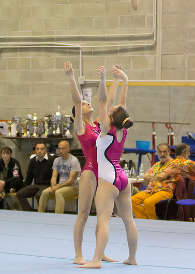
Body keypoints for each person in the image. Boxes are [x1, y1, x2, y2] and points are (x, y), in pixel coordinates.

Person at [78, 66, 138, 269]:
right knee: (129, 221)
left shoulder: (105, 128)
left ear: (111, 119)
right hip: (123, 178)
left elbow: (104, 101)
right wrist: (124, 79)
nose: (108, 109)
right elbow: (121, 104)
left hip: (108, 179)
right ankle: (132, 258)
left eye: (110, 112)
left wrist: (103, 79)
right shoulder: (123, 129)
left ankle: (96, 260)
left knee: (103, 220)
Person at [64, 61, 121, 265]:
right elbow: (77, 102)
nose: (89, 104)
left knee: (102, 216)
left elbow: (110, 101)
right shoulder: (81, 127)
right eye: (86, 104)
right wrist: (71, 77)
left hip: (103, 172)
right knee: (83, 214)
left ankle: (100, 252)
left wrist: (115, 78)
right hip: (89, 172)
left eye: (89, 103)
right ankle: (78, 254)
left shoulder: (98, 125)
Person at [131, 143, 179, 220]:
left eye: (165, 151)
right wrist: (157, 176)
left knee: (148, 202)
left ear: (169, 152)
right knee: (133, 200)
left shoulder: (173, 164)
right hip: (152, 190)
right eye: (160, 152)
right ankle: (144, 221)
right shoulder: (156, 164)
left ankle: (152, 222)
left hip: (165, 191)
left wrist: (155, 176)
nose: (162, 154)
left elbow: (161, 176)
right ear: (157, 152)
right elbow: (145, 176)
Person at [38, 140, 81, 214]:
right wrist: (53, 187)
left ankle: (58, 216)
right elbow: (54, 177)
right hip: (60, 185)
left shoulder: (74, 161)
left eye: (63, 149)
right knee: (44, 192)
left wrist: (57, 188)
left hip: (73, 187)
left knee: (58, 193)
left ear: (68, 149)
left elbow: (71, 180)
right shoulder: (56, 160)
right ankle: (40, 214)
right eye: (59, 149)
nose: (60, 151)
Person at [17, 142, 55, 211]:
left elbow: (54, 176)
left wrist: (53, 187)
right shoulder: (33, 161)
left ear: (45, 150)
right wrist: (26, 187)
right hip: (36, 185)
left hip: (47, 185)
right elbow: (29, 176)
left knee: (39, 195)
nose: (39, 151)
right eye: (37, 149)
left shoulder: (51, 160)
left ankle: (42, 213)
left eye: (42, 149)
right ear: (35, 150)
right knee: (20, 193)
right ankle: (29, 212)